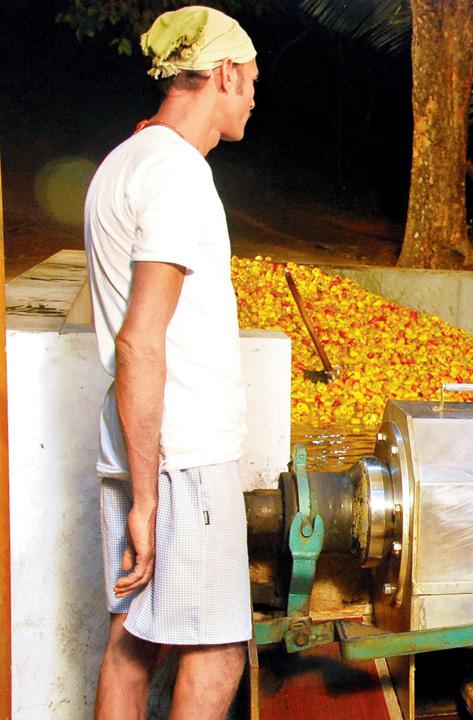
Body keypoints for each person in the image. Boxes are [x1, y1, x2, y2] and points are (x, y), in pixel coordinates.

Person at [83, 6, 259, 718]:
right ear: (222, 74)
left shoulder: (123, 162)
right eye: (249, 82)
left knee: (132, 643)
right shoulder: (180, 175)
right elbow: (140, 339)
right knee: (215, 652)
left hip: (136, 445)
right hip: (179, 459)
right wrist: (150, 498)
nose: (252, 97)